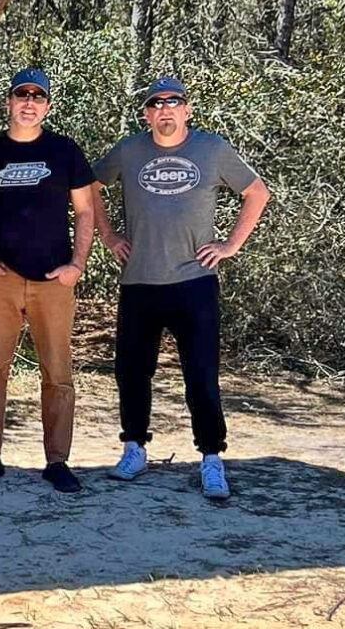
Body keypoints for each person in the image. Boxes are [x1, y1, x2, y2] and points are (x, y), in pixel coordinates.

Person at [92, 77, 270, 500]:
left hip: (194, 282)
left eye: (174, 103)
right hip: (139, 281)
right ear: (147, 114)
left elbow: (257, 192)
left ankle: (211, 458)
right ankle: (134, 448)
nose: (165, 110)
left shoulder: (211, 149)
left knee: (202, 375)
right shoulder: (129, 150)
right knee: (132, 373)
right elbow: (90, 187)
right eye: (157, 104)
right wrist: (108, 236)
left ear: (187, 110)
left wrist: (230, 245)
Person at [0, 68, 95, 493]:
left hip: (53, 281)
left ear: (48, 106)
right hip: (0, 278)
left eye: (38, 97)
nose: (30, 102)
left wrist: (77, 264)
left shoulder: (64, 151)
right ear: (10, 102)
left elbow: (86, 211)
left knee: (58, 374)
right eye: (23, 94)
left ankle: (57, 461)